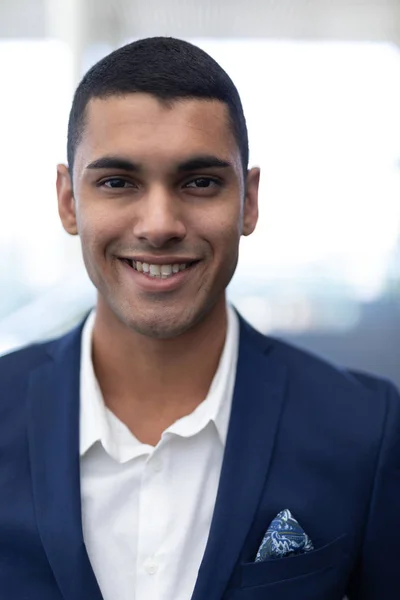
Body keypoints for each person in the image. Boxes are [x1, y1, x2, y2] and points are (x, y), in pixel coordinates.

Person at [0, 36, 399, 600]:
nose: (159, 224)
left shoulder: (364, 431)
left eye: (200, 182)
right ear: (68, 201)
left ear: (249, 201)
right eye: (117, 182)